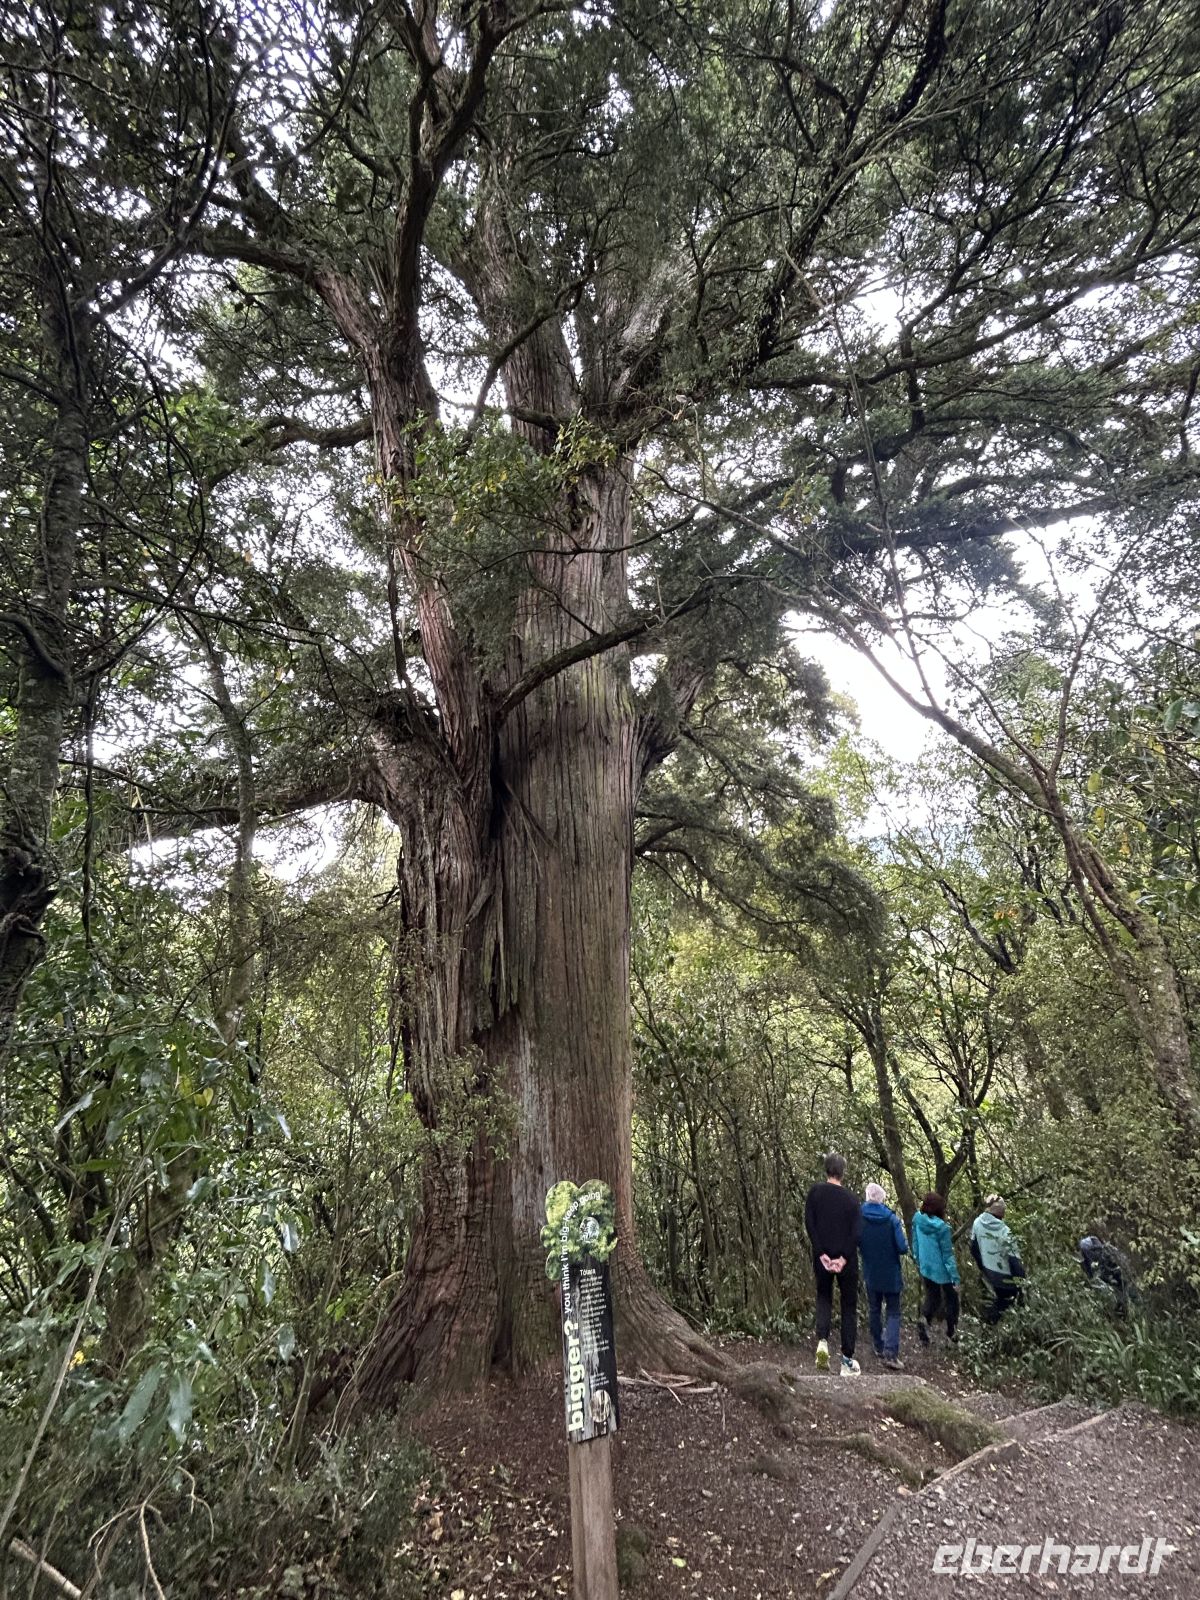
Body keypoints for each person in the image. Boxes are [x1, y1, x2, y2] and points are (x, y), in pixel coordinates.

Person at [804, 1152, 862, 1376]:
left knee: (823, 1297)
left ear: (826, 1170)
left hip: (823, 1258)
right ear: (843, 1172)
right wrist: (844, 1258)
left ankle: (822, 1342)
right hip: (846, 1261)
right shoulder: (852, 1200)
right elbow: (856, 1233)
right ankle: (846, 1361)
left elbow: (810, 1223)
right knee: (849, 1306)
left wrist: (821, 1253)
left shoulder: (815, 1193)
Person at [858, 1181, 909, 1369]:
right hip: (891, 1273)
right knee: (893, 1312)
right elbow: (902, 1247)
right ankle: (891, 1354)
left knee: (874, 1309)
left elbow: (855, 1241)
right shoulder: (891, 1219)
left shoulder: (859, 1218)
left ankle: (878, 1346)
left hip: (871, 1271)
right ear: (882, 1199)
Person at [911, 1191, 960, 1343]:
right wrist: (955, 1277)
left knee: (933, 1297)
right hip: (942, 1270)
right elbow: (947, 1255)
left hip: (926, 1266)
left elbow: (915, 1242)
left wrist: (918, 1259)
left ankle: (924, 1319)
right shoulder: (942, 1228)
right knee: (952, 1299)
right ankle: (952, 1333)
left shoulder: (917, 1219)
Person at [970, 1194, 1026, 1323]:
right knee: (1008, 1301)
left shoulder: (977, 1223)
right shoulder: (1006, 1232)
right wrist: (1022, 1284)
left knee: (998, 1300)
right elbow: (1015, 1264)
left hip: (988, 1273)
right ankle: (989, 1323)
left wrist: (983, 1266)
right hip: (1004, 1278)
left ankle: (987, 1321)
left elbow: (973, 1249)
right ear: (1002, 1213)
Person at [1079, 1234, 1136, 1316]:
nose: (1097, 1252)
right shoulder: (1087, 1259)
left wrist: (1112, 1275)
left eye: (1097, 1250)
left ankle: (1121, 1309)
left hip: (1118, 1279)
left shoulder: (1108, 1254)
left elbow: (1116, 1267)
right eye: (1094, 1250)